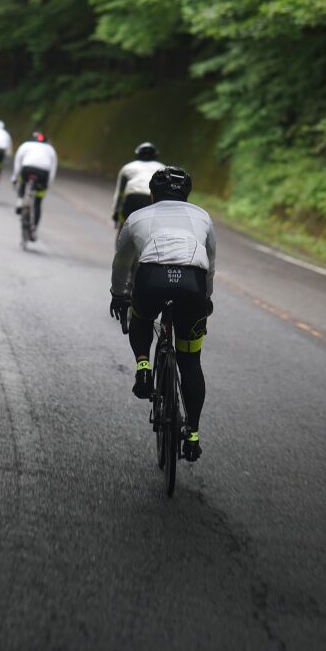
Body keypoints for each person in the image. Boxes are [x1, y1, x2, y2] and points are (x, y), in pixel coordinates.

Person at [109, 167, 216, 463]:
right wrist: (205, 298)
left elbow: (122, 263)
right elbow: (211, 262)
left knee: (141, 316)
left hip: (151, 279)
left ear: (153, 194)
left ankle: (143, 366)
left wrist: (119, 294)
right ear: (187, 194)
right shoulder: (203, 216)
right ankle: (192, 435)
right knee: (190, 362)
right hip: (193, 285)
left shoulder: (137, 217)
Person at [112, 142, 166, 236]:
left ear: (137, 154)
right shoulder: (163, 168)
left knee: (125, 226)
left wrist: (116, 212)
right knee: (152, 230)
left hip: (132, 198)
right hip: (152, 199)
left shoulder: (127, 167)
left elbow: (120, 193)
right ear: (156, 155)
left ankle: (121, 247)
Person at [11, 132, 58, 239]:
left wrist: (14, 177)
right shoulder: (50, 149)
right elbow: (53, 169)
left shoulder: (26, 145)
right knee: (37, 202)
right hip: (43, 173)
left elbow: (18, 162)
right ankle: (33, 229)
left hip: (27, 169)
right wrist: (47, 184)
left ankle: (20, 200)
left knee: (22, 181)